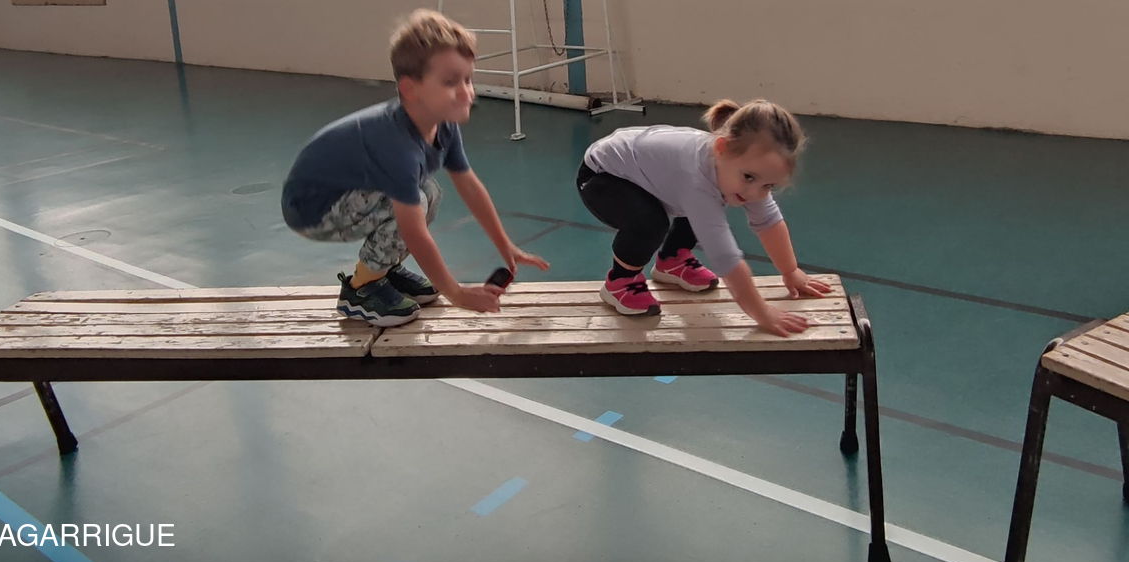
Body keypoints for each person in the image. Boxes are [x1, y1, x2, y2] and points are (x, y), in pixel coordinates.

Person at [281, 9, 549, 327]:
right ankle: (360, 288)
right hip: (312, 209)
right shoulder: (397, 145)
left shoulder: (443, 124)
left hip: (351, 195)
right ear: (410, 89)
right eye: (450, 82)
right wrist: (456, 294)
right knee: (414, 202)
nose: (466, 92)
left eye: (468, 79)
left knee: (430, 191)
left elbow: (469, 185)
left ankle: (383, 268)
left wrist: (506, 246)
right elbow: (413, 231)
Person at [576, 98, 832, 336]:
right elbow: (726, 258)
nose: (755, 193)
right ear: (721, 148)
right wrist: (762, 313)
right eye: (749, 178)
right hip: (602, 176)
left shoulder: (740, 167)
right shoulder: (697, 179)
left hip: (650, 177)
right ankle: (620, 281)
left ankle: (672, 260)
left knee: (709, 203)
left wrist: (790, 271)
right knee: (652, 223)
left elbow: (769, 221)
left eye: (768, 186)